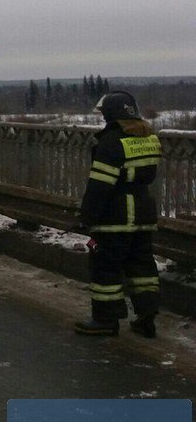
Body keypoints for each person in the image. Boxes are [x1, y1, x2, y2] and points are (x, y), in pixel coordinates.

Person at [74, 91, 163, 337]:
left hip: (116, 216)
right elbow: (149, 175)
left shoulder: (111, 142)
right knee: (142, 265)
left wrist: (87, 217)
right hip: (143, 213)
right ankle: (147, 316)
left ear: (111, 114)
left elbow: (100, 186)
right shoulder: (149, 137)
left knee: (106, 267)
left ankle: (106, 319)